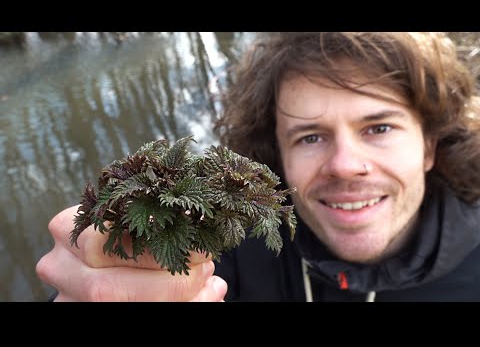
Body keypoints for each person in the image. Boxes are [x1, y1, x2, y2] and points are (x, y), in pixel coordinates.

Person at [36, 32, 480, 301]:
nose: (345, 166)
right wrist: (108, 278)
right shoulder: (227, 245)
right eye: (310, 136)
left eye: (378, 128)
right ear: (278, 157)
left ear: (429, 146)